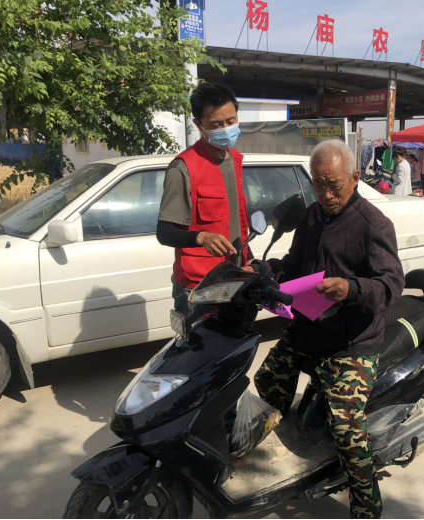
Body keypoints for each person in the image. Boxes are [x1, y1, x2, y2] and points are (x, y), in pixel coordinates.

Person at [254, 139, 405, 519]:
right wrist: (263, 271)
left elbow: (391, 285)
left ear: (354, 177)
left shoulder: (373, 224)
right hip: (308, 327)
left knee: (347, 430)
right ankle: (285, 449)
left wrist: (351, 289)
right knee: (267, 381)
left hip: (351, 342)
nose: (326, 195)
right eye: (318, 186)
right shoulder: (311, 216)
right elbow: (294, 264)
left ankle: (366, 507)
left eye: (334, 185)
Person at [156, 81, 257, 322]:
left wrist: (250, 259)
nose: (226, 128)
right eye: (216, 124)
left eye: (231, 121)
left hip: (235, 280)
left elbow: (237, 223)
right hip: (199, 289)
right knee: (198, 347)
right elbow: (164, 232)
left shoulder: (235, 161)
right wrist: (202, 237)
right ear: (198, 125)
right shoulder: (184, 168)